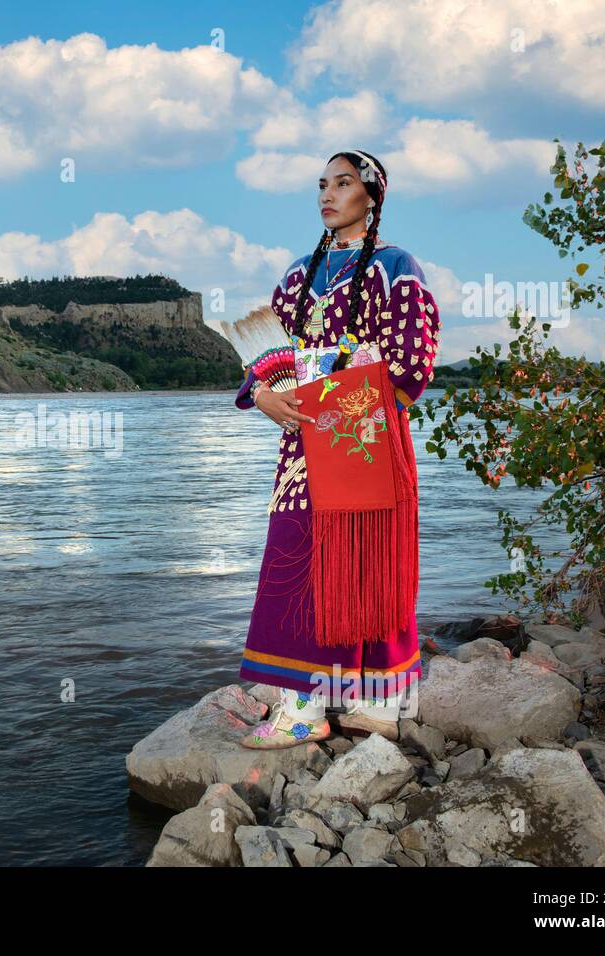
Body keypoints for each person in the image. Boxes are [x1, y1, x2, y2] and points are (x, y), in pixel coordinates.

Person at [235, 149, 441, 749]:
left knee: (371, 560)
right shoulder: (298, 276)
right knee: (297, 558)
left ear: (372, 195)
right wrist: (263, 394)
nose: (327, 194)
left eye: (343, 182)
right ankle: (303, 706)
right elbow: (267, 356)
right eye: (322, 184)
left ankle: (374, 701)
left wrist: (339, 391)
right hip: (303, 445)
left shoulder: (397, 267)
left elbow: (414, 359)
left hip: (366, 434)